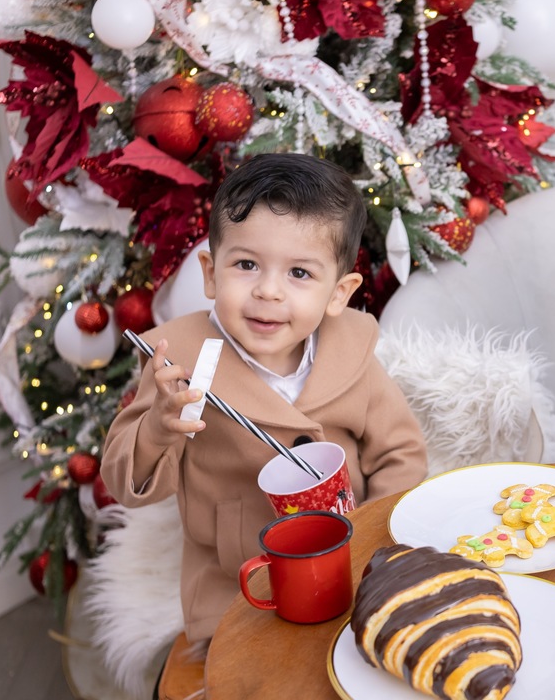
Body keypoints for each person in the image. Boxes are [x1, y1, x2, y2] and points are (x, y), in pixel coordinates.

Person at [102, 153, 427, 649]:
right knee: (252, 672)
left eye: (299, 273)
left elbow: (400, 453)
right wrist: (156, 429)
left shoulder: (352, 355)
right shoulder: (182, 363)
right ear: (211, 273)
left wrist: (373, 538)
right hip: (236, 581)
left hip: (349, 562)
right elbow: (126, 482)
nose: (268, 291)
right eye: (247, 265)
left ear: (338, 294)